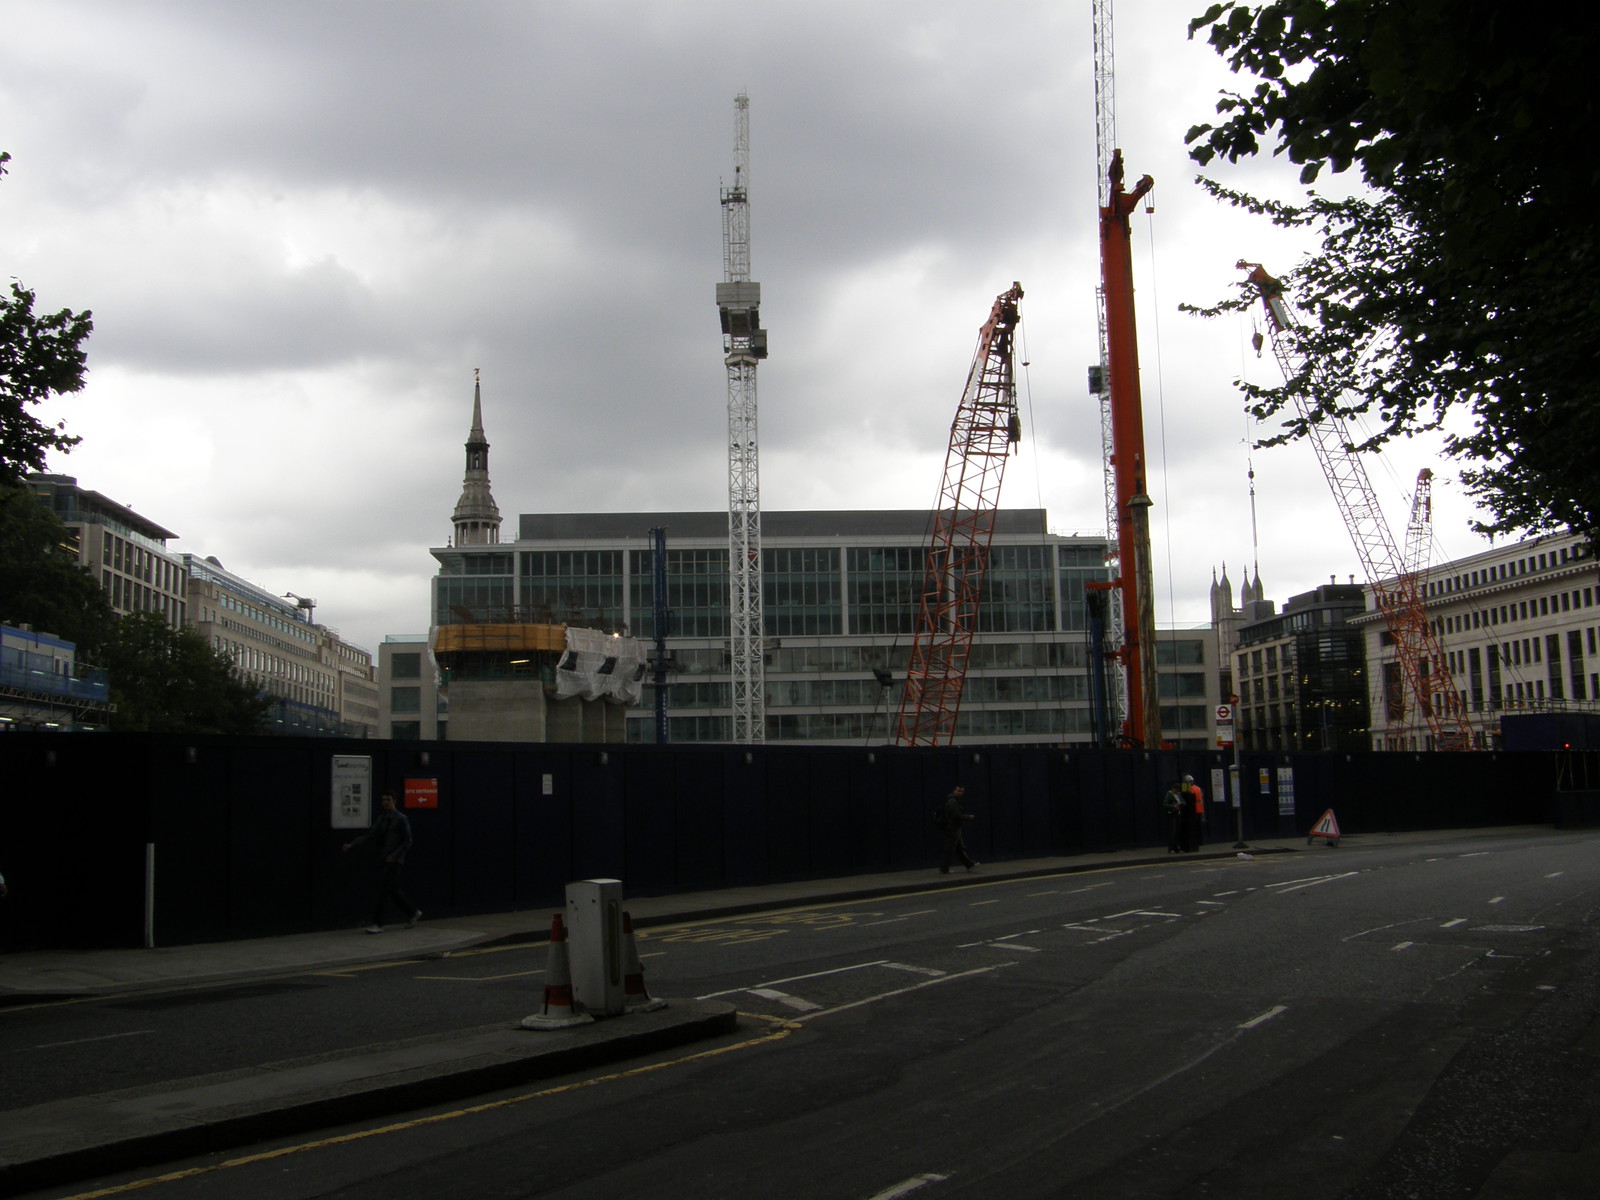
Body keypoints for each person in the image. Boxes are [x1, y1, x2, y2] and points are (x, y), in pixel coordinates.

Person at [342, 792, 421, 933]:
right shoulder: (382, 819)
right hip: (384, 858)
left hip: (395, 860)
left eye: (388, 800)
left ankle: (378, 924)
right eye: (383, 800)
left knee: (383, 891)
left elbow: (408, 840)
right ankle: (413, 912)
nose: (385, 802)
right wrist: (352, 844)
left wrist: (395, 855)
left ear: (394, 801)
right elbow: (370, 835)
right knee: (392, 891)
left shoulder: (401, 819)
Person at [937, 785, 979, 873]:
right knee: (950, 848)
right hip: (952, 827)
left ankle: (969, 864)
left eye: (962, 791)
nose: (960, 793)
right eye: (958, 791)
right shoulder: (952, 802)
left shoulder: (955, 801)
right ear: (954, 791)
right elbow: (956, 815)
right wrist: (968, 817)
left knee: (959, 847)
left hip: (955, 827)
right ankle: (944, 868)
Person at [1162, 780, 1185, 853]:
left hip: (1178, 813)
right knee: (1172, 831)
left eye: (1178, 790)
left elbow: (1184, 802)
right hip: (1172, 814)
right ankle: (1171, 848)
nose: (1177, 791)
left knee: (1177, 831)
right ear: (1173, 789)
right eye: (1176, 790)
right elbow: (1165, 804)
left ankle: (1176, 847)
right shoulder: (1169, 794)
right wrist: (1173, 806)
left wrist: (1181, 803)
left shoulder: (1179, 794)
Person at [1185, 774, 1206, 846]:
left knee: (1193, 827)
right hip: (1200, 809)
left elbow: (1188, 798)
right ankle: (1201, 841)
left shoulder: (1190, 789)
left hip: (1193, 809)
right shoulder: (1198, 788)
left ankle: (1195, 841)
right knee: (1199, 827)